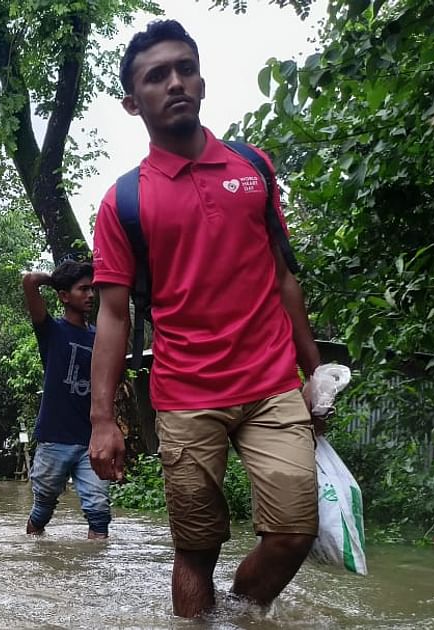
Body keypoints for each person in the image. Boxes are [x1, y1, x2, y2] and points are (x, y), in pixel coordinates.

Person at [87, 21, 324, 617]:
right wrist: (102, 420)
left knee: (294, 532)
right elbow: (114, 316)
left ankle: (240, 615)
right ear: (131, 100)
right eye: (156, 76)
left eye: (184, 69)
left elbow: (283, 275)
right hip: (186, 395)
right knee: (196, 548)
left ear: (201, 80)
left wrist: (315, 374)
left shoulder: (254, 168)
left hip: (273, 384)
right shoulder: (125, 202)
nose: (175, 83)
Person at [22, 261, 111, 539]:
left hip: (90, 439)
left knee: (99, 512)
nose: (90, 295)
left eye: (92, 289)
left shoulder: (101, 336)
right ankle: (33, 550)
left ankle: (95, 575)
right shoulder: (51, 331)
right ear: (63, 296)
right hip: (54, 437)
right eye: (83, 289)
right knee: (43, 510)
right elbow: (29, 281)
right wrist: (58, 280)